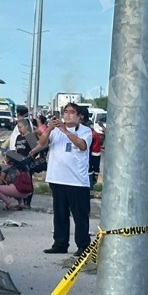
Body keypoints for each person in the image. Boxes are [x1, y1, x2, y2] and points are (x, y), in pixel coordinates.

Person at [37, 103, 94, 256]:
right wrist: (49, 128)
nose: (68, 115)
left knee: (80, 216)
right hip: (57, 178)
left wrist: (65, 131)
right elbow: (41, 143)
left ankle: (83, 245)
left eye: (72, 112)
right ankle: (60, 243)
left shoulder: (85, 131)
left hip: (77, 181)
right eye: (66, 112)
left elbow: (82, 146)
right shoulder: (55, 131)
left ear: (79, 115)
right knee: (60, 214)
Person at [89, 115, 106, 189]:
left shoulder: (92, 134)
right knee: (95, 171)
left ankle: (91, 186)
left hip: (93, 154)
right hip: (95, 154)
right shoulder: (94, 133)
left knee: (92, 172)